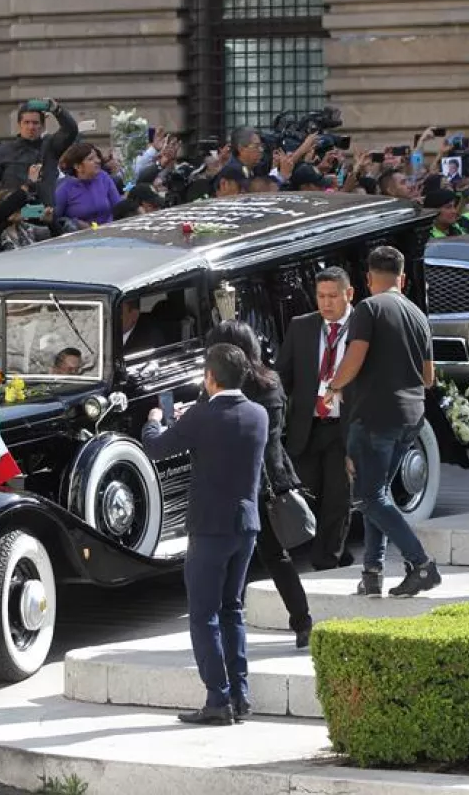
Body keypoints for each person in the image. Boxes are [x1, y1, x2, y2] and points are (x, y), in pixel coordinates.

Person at [141, 344, 267, 725]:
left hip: (209, 528)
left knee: (203, 615)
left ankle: (218, 698)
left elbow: (156, 446)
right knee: (232, 609)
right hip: (245, 525)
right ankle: (241, 695)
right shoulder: (258, 414)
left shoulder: (202, 416)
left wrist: (154, 419)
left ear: (210, 378)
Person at [324, 246, 440, 597]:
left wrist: (333, 386)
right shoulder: (418, 314)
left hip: (374, 416)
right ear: (401, 279)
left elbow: (355, 357)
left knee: (371, 498)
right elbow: (429, 376)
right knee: (380, 494)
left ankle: (421, 564)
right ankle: (372, 572)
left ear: (369, 278)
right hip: (411, 417)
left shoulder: (368, 308)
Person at [207, 321, 312, 648]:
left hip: (239, 483)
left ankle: (225, 629)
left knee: (226, 557)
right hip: (270, 480)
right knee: (274, 556)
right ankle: (302, 620)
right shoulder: (271, 382)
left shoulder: (227, 390)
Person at [277, 266, 355, 571]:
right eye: (321, 296)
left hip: (344, 427)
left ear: (349, 294)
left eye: (333, 296)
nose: (326, 303)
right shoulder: (302, 327)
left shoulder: (364, 326)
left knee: (337, 497)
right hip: (307, 427)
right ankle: (338, 551)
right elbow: (284, 376)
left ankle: (327, 562)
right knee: (308, 494)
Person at [0, 98, 78, 204]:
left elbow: (70, 130)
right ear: (19, 125)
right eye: (26, 122)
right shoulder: (4, 151)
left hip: (44, 214)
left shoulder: (51, 146)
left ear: (43, 126)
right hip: (14, 214)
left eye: (35, 123)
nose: (31, 127)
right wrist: (5, 196)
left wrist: (57, 110)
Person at [54, 143, 123, 226]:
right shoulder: (65, 188)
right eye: (90, 159)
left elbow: (119, 208)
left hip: (109, 231)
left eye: (97, 157)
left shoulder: (103, 177)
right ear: (78, 167)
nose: (98, 161)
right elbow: (56, 219)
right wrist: (75, 223)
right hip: (82, 236)